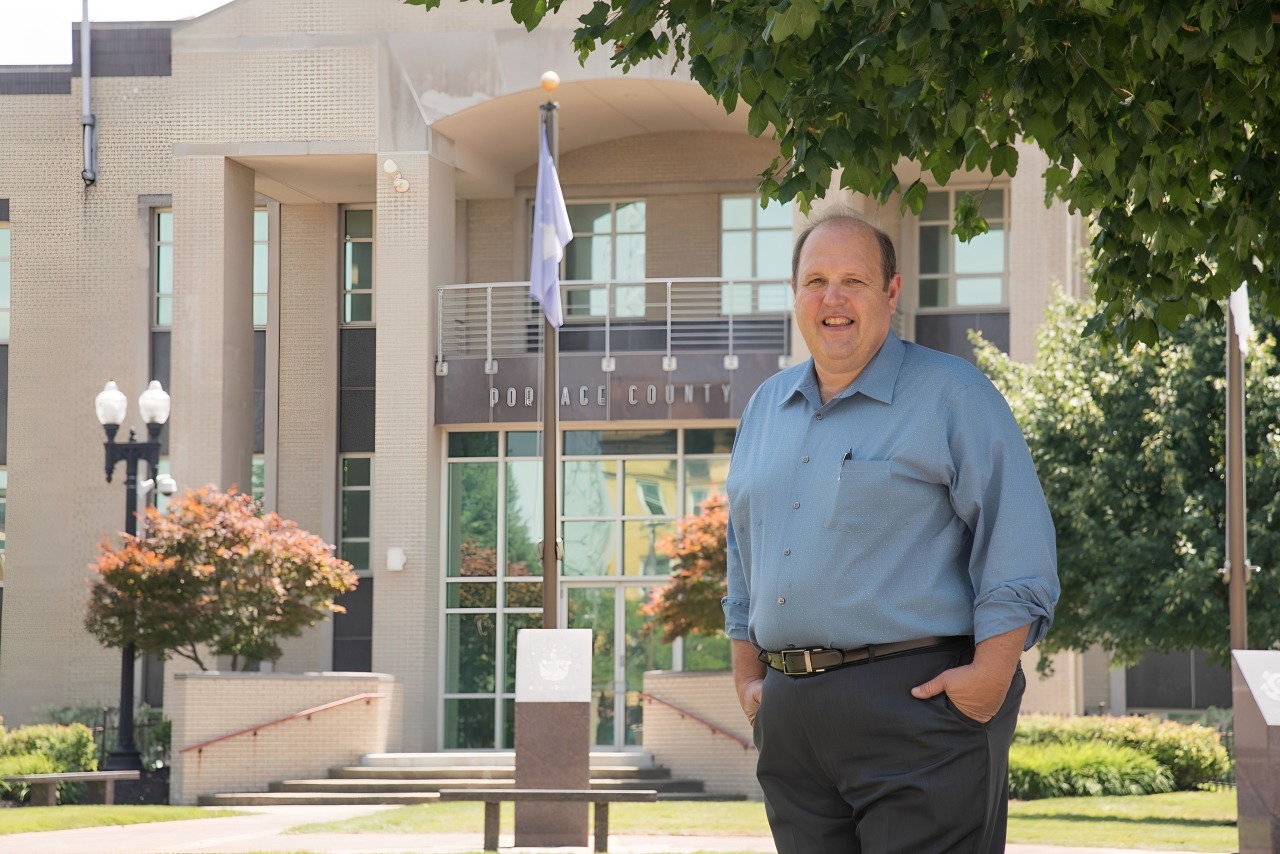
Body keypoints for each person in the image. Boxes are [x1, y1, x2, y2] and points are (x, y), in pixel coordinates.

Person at [722, 209, 1059, 853]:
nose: (833, 298)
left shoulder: (951, 393)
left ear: (892, 292)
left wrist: (989, 678)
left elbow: (1015, 538)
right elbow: (743, 552)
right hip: (791, 717)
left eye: (854, 280)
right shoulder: (766, 406)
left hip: (918, 707)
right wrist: (748, 679)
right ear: (795, 294)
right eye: (816, 280)